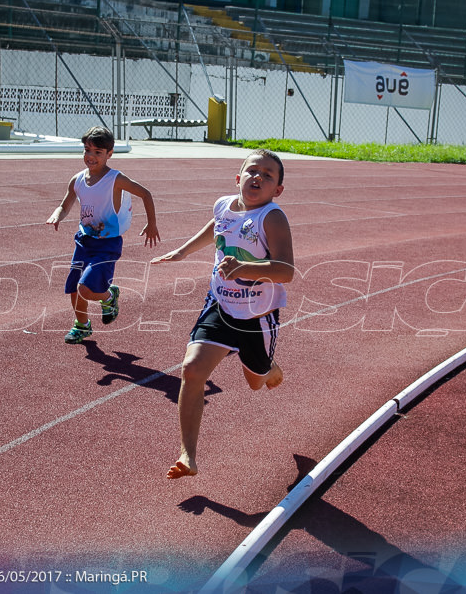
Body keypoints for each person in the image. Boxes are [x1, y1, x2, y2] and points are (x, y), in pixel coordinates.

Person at [151, 149, 294, 479]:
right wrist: (183, 251)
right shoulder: (223, 205)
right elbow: (215, 226)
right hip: (219, 303)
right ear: (238, 177)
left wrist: (244, 266)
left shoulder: (271, 217)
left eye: (268, 175)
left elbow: (286, 271)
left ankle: (269, 368)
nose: (257, 177)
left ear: (278, 190)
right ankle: (188, 455)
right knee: (192, 367)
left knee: (256, 382)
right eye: (252, 171)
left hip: (257, 315)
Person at [46, 126, 160, 344]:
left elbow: (145, 193)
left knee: (85, 288)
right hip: (84, 242)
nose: (91, 156)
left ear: (110, 153)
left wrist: (151, 223)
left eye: (98, 152)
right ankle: (81, 325)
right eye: (87, 150)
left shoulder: (116, 179)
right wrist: (57, 214)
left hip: (107, 244)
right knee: (73, 287)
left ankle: (109, 296)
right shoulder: (78, 180)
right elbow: (66, 203)